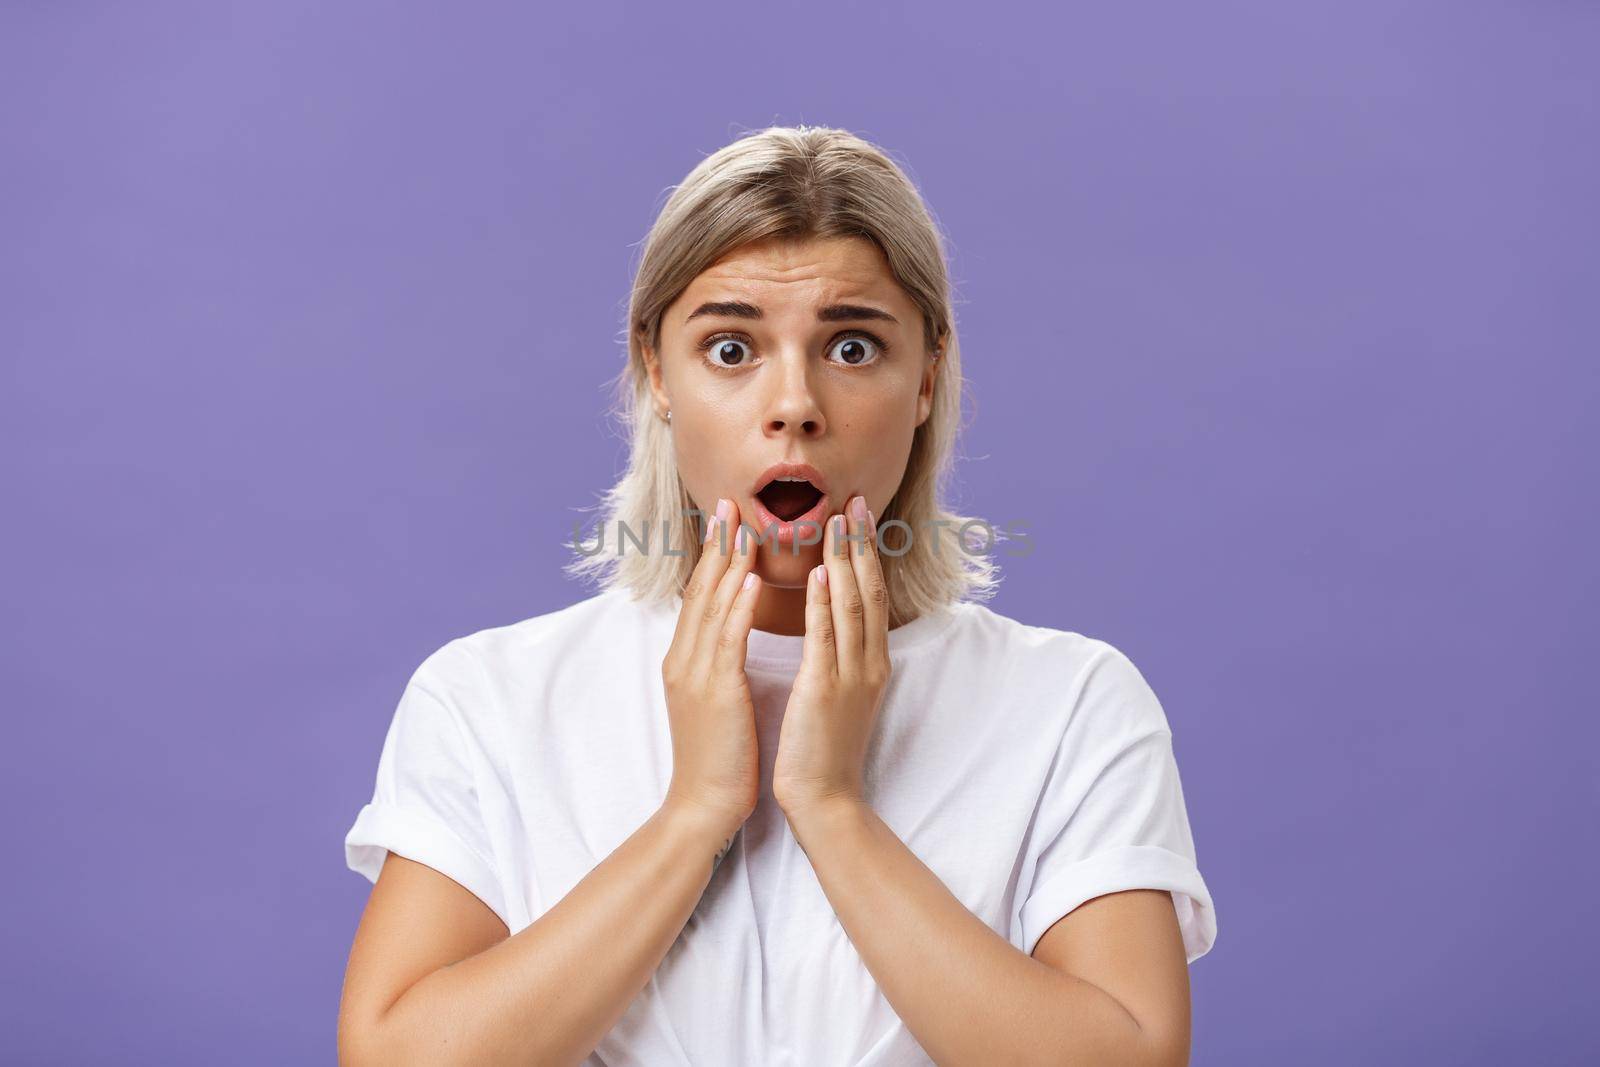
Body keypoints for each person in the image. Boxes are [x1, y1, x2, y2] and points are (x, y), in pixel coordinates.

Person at [337, 125, 1217, 1067]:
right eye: (729, 348)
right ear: (654, 373)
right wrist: (695, 814)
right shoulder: (490, 697)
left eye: (850, 345)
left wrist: (831, 804)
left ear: (926, 376)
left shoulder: (1073, 702)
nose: (793, 402)